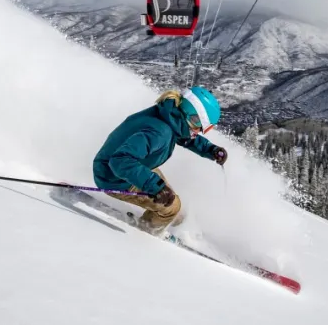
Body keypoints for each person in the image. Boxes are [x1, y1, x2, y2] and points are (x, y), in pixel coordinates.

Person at [92, 86, 228, 234]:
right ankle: (146, 231)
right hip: (113, 177)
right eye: (201, 127)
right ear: (192, 117)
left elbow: (184, 137)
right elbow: (120, 161)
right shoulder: (160, 133)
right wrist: (154, 187)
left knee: (176, 210)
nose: (200, 131)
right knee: (172, 207)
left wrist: (210, 149)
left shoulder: (170, 115)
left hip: (133, 165)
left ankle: (164, 220)